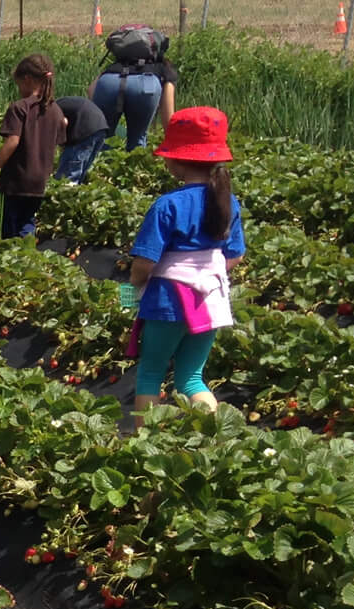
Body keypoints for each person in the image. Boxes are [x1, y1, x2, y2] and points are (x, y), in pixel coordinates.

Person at [126, 107, 243, 415]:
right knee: (191, 378)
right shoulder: (227, 200)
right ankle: (215, 437)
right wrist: (206, 272)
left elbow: (145, 263)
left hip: (168, 299)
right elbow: (235, 255)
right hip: (212, 299)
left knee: (151, 373)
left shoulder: (167, 205)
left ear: (175, 161)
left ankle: (143, 445)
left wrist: (132, 288)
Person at [0, 54, 63, 240]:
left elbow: (12, 141)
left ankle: (10, 261)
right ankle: (27, 258)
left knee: (6, 231)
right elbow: (58, 142)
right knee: (27, 222)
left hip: (16, 181)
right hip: (39, 182)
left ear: (27, 79)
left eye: (19, 84)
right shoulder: (55, 110)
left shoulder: (20, 107)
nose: (19, 90)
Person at [91, 29, 178, 152]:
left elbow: (91, 90)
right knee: (137, 139)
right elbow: (168, 115)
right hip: (146, 85)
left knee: (103, 138)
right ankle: (133, 167)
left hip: (108, 82)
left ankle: (101, 167)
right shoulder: (163, 68)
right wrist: (171, 142)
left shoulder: (113, 67)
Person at [55, 93, 111, 184]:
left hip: (85, 129)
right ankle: (75, 192)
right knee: (82, 168)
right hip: (101, 127)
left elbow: (64, 122)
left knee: (67, 175)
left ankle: (64, 195)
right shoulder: (59, 103)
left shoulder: (49, 110)